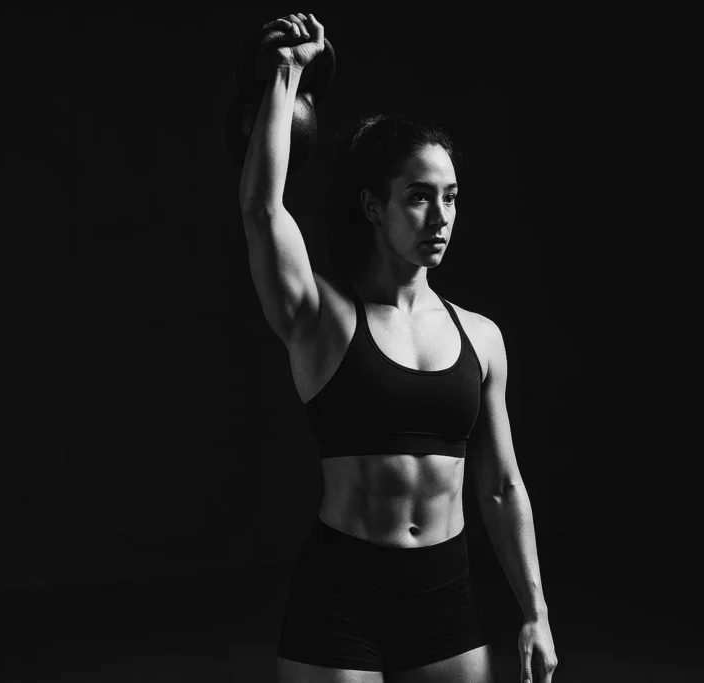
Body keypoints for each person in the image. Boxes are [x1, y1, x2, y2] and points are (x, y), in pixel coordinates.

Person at [237, 13, 557, 683]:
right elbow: (265, 210)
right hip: (340, 597)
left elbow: (499, 485)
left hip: (446, 598)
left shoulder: (482, 335)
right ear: (373, 207)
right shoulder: (323, 318)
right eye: (418, 198)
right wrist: (289, 70)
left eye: (451, 198)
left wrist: (535, 610)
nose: (440, 217)